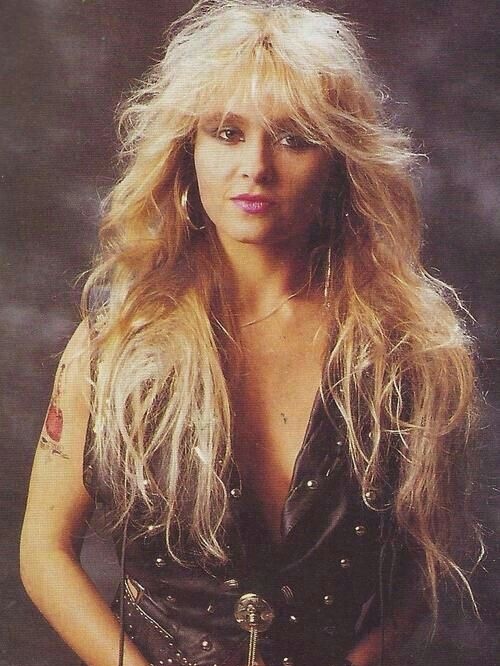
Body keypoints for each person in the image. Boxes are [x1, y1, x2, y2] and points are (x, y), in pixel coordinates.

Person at [20, 1, 483, 665]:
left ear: (340, 161)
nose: (256, 167)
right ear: (188, 151)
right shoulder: (118, 334)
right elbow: (44, 552)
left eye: (295, 139)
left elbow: (426, 554)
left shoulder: (404, 346)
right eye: (227, 133)